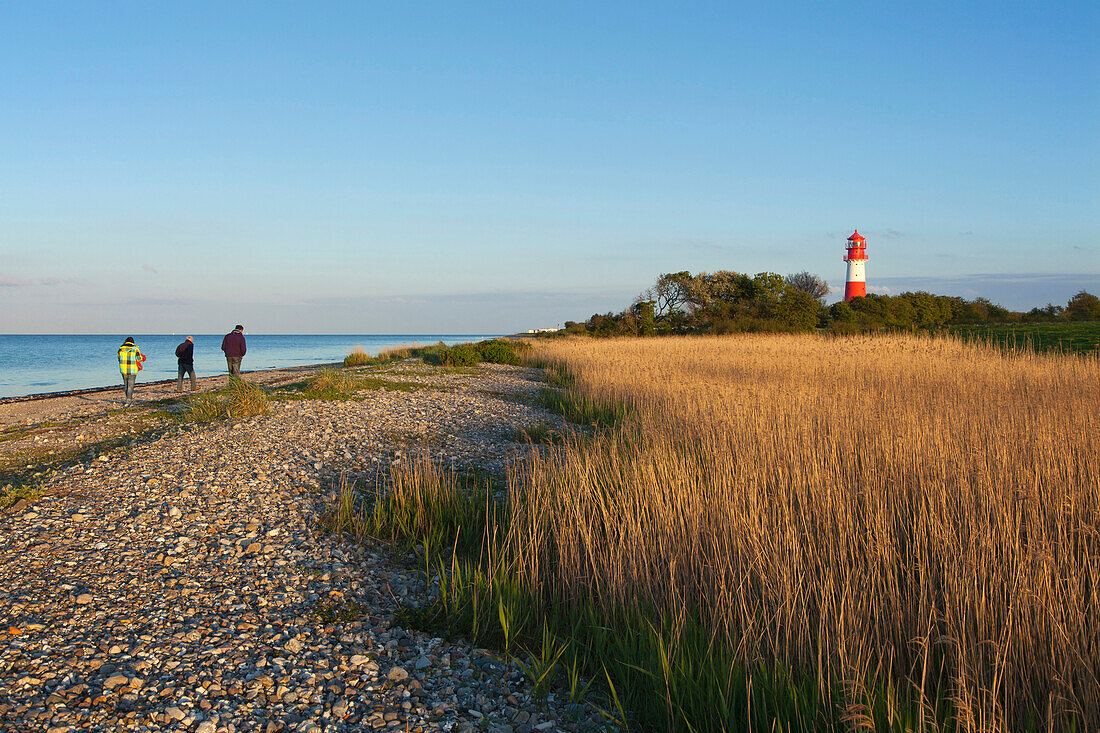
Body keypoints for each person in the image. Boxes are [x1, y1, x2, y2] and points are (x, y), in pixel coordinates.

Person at [117, 337, 146, 407]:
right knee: (130, 385)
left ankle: (128, 399)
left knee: (126, 385)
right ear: (133, 342)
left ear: (125, 341)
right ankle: (128, 401)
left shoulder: (120, 349)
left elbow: (119, 359)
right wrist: (143, 357)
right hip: (132, 370)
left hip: (123, 369)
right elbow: (139, 359)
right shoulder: (135, 349)